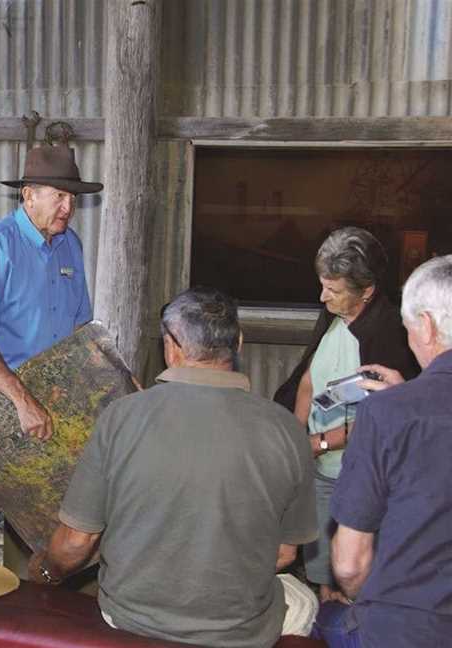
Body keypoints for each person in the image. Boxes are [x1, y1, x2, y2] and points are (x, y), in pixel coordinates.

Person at [30, 287, 318, 647]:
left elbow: (76, 542)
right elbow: (284, 554)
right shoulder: (286, 428)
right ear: (239, 343)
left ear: (171, 346)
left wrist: (46, 571)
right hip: (237, 629)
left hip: (130, 617)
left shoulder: (121, 417)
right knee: (304, 600)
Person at [0, 144, 102, 546]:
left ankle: (30, 603)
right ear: (28, 194)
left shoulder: (71, 246)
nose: (68, 207)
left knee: (35, 504)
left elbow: (81, 327)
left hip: (45, 387)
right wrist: (21, 399)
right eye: (59, 196)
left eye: (72, 198)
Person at [312, 255, 452, 647]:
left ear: (425, 326)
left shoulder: (386, 413)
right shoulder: (399, 407)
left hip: (407, 629)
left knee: (316, 617)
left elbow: (349, 564)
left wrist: (399, 403)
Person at [273, 227, 418, 603]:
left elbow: (379, 419)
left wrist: (315, 444)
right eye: (323, 285)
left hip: (357, 476)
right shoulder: (336, 315)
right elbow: (308, 377)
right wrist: (295, 435)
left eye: (333, 289)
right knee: (323, 576)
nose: (323, 297)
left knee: (354, 580)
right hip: (321, 468)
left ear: (366, 290)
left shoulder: (388, 334)